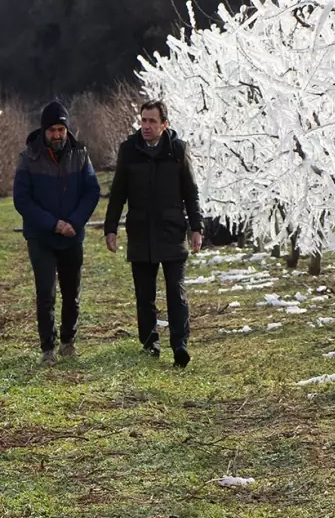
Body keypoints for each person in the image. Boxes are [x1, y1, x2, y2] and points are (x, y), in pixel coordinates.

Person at [103, 100, 203, 368]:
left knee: (176, 292)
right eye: (143, 120)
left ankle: (180, 345)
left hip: (171, 231)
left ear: (164, 125)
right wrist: (110, 228)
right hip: (140, 232)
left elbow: (190, 192)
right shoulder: (129, 150)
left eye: (152, 121)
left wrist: (197, 228)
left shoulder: (178, 151)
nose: (146, 126)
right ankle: (150, 343)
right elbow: (118, 193)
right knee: (144, 295)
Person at [12, 101, 101, 365]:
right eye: (52, 130)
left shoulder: (81, 154)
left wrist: (74, 221)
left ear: (67, 129)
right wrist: (53, 224)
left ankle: (68, 342)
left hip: (73, 234)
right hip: (42, 236)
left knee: (72, 291)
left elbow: (91, 190)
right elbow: (22, 200)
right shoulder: (28, 157)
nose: (57, 135)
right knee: (46, 292)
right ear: (44, 131)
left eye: (61, 129)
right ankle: (47, 349)